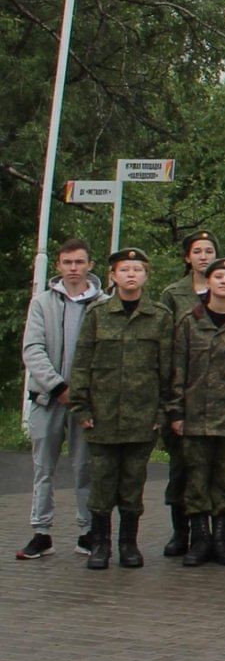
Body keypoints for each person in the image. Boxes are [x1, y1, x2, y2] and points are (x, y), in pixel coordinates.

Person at [70, 248, 172, 571]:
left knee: (132, 485)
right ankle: (100, 545)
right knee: (101, 485)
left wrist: (162, 413)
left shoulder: (159, 316)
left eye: (137, 269)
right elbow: (82, 363)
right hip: (101, 417)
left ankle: (128, 544)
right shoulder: (98, 315)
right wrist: (81, 406)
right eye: (124, 269)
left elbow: (167, 370)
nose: (131, 274)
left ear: (146, 276)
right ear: (113, 276)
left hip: (141, 418)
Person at [167, 257, 225, 566]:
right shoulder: (188, 322)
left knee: (224, 480)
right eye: (218, 276)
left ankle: (221, 540)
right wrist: (176, 413)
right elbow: (177, 370)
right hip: (195, 415)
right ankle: (200, 539)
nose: (223, 281)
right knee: (195, 479)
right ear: (207, 283)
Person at [17, 238, 102, 560]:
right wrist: (58, 387)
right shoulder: (42, 303)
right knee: (43, 467)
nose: (73, 269)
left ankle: (87, 531)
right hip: (47, 399)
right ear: (58, 266)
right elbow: (32, 350)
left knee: (85, 468)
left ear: (90, 265)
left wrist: (81, 394)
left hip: (85, 402)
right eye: (67, 263)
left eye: (79, 262)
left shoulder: (103, 304)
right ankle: (41, 532)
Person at [156, 229, 221, 557]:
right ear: (187, 257)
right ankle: (181, 532)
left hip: (217, 395)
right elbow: (166, 346)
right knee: (181, 467)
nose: (204, 256)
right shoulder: (173, 294)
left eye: (209, 251)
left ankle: (208, 535)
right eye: (197, 251)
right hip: (184, 392)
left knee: (212, 469)